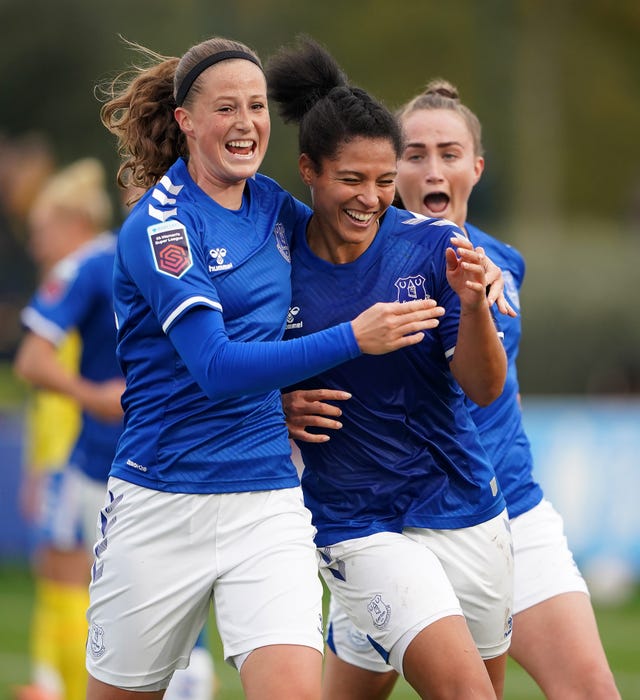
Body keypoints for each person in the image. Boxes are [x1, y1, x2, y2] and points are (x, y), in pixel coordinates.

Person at [87, 36, 440, 700]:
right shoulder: (162, 226)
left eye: (255, 106)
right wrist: (353, 338)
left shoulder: (272, 206)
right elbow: (215, 367)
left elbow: (362, 233)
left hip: (266, 500)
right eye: (226, 108)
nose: (247, 122)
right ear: (187, 121)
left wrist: (468, 261)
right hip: (161, 500)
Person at [301, 78, 622, 700]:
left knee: (589, 690)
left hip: (503, 512)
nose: (431, 168)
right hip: (387, 519)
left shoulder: (505, 264)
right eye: (414, 154)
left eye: (448, 153)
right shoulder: (348, 257)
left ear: (476, 167)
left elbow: (494, 387)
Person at [266, 37, 513, 700]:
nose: (372, 199)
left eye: (384, 180)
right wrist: (276, 407)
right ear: (310, 170)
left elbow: (485, 388)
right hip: (357, 523)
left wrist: (474, 306)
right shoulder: (275, 265)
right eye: (352, 180)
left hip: (466, 507)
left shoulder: (434, 247)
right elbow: (228, 368)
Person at [13, 158, 217, 700]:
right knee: (87, 596)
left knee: (177, 617)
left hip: (184, 471)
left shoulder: (220, 253)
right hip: (98, 468)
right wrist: (94, 396)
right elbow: (31, 359)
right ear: (128, 185)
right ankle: (59, 683)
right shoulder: (94, 264)